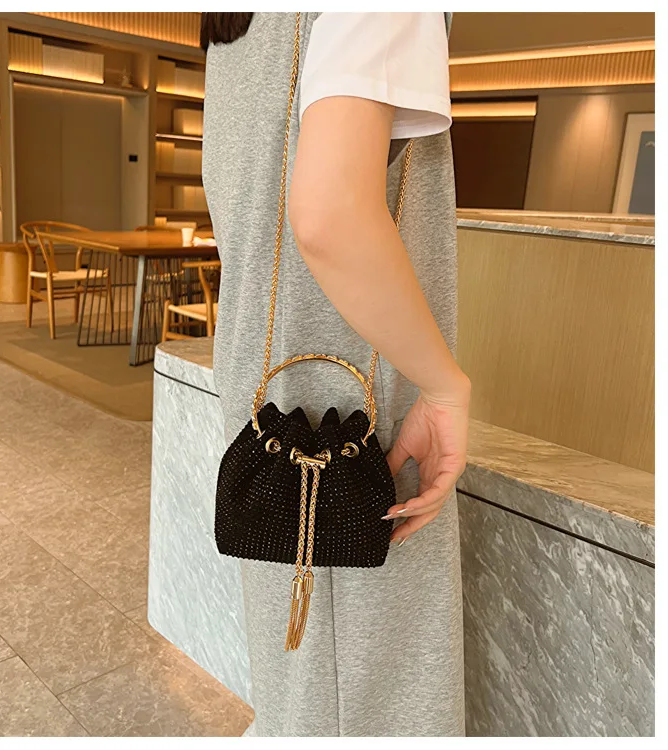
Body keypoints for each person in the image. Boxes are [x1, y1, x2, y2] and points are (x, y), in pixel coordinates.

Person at [201, 12, 471, 737]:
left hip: (268, 414)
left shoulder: (240, 28)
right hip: (351, 427)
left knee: (301, 702)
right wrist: (446, 385)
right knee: (365, 713)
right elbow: (329, 215)